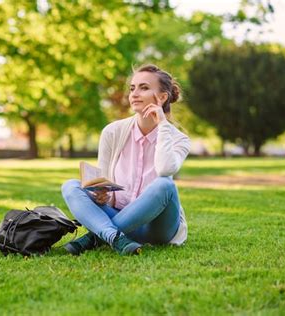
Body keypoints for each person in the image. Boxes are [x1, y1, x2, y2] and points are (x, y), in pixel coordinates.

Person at [61, 64, 191, 256]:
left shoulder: (179, 139)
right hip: (120, 216)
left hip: (158, 228)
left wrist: (162, 124)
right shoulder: (112, 131)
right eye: (132, 88)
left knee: (165, 185)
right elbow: (102, 180)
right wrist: (102, 195)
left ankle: (97, 237)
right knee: (70, 186)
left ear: (162, 97)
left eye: (144, 88)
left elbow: (165, 169)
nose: (134, 94)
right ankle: (115, 237)